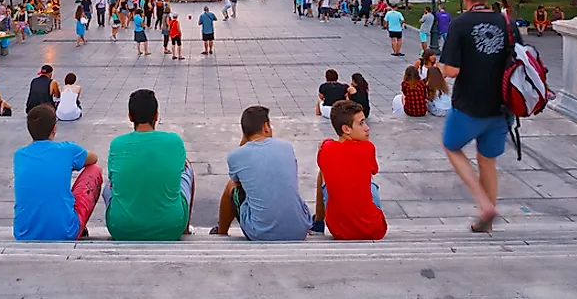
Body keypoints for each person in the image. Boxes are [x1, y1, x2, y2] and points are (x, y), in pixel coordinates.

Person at [438, 0, 521, 234]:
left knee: (451, 146)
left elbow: (452, 70)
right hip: (503, 106)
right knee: (487, 161)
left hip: (469, 104)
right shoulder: (507, 22)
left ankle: (484, 204)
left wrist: (438, 69)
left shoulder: (460, 24)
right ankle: (486, 223)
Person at [104, 89, 194, 241]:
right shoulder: (174, 141)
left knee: (108, 186)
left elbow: (113, 183)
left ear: (130, 116)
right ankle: (184, 228)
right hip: (171, 228)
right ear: (156, 116)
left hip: (121, 229)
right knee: (187, 168)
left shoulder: (117, 144)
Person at [211, 105, 311, 240]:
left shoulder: (236, 155)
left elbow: (237, 181)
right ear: (266, 127)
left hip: (261, 234)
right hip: (300, 230)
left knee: (231, 186)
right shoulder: (286, 147)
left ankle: (221, 232)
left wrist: (244, 142)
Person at [13, 103, 103, 241]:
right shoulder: (67, 149)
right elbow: (93, 159)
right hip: (65, 232)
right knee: (94, 170)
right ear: (54, 128)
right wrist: (69, 165)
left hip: (24, 233)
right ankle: (77, 224)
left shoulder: (19, 155)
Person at [310, 100, 387, 240]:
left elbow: (328, 145)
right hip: (374, 229)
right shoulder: (368, 148)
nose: (367, 128)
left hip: (338, 230)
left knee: (323, 172)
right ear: (346, 129)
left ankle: (318, 223)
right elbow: (373, 170)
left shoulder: (326, 149)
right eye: (361, 123)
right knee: (368, 178)